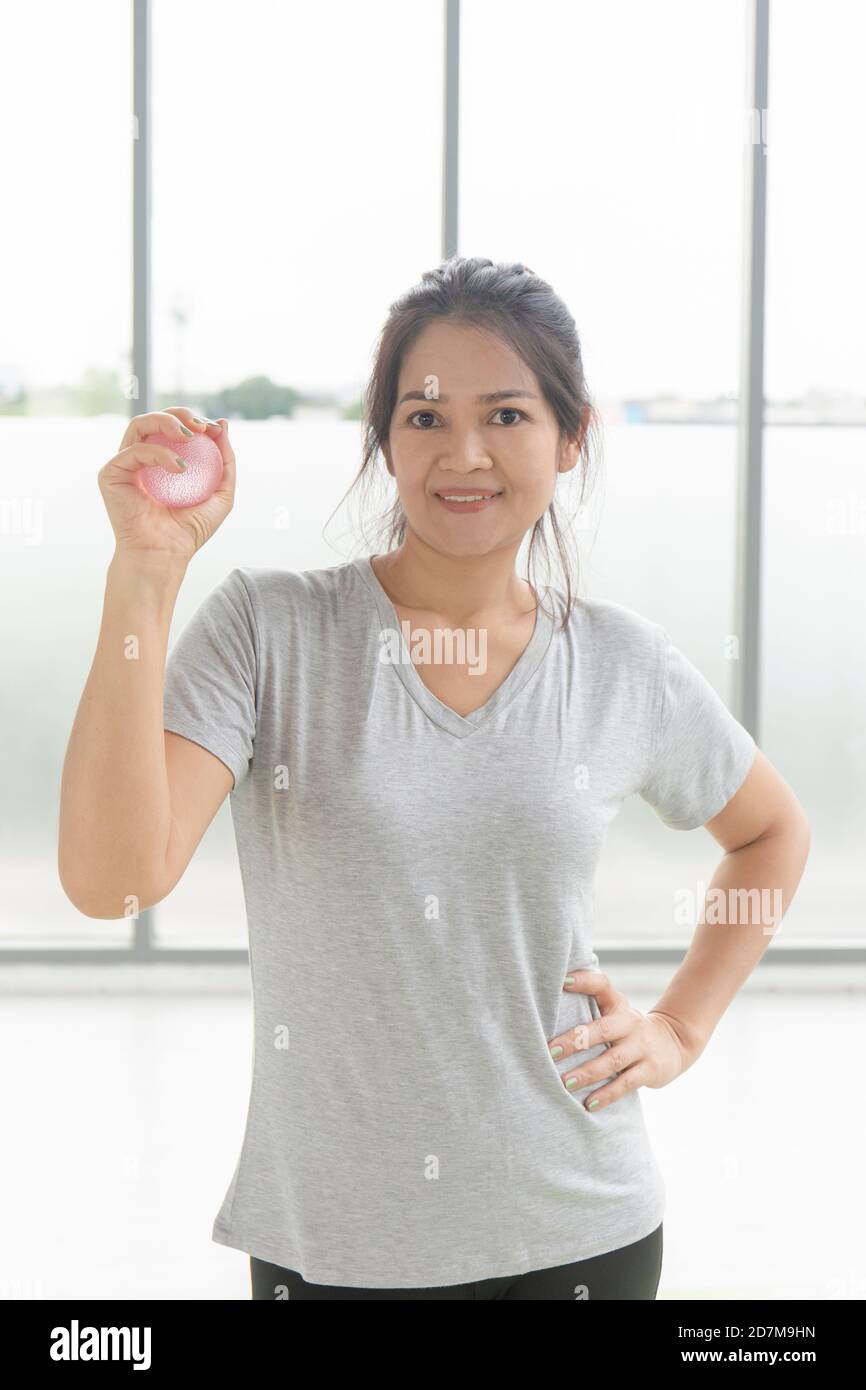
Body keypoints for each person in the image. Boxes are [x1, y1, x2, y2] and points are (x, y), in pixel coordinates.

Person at [58, 256, 810, 1301]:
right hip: (333, 1242)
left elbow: (770, 830)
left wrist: (678, 1026)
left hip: (579, 1227)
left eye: (505, 415)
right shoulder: (268, 630)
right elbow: (113, 882)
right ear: (384, 440)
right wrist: (145, 572)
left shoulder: (620, 661)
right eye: (422, 418)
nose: (463, 453)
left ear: (569, 436)